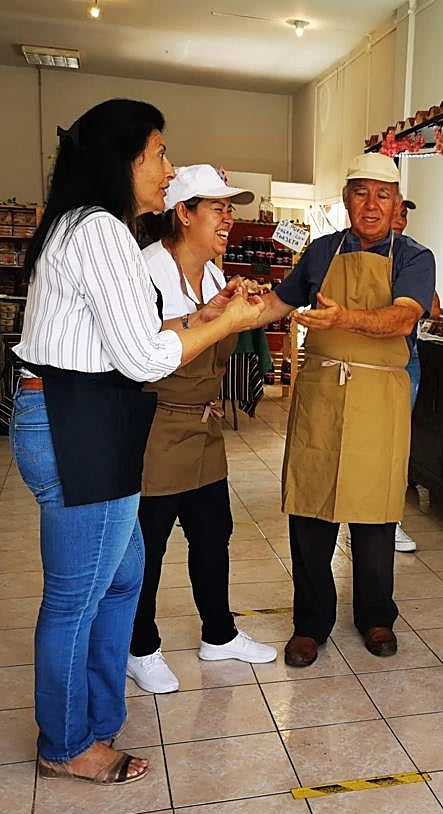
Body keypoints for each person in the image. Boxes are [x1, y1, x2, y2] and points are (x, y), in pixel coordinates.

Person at [11, 100, 263, 786]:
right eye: (158, 153)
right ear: (120, 160)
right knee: (75, 598)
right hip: (76, 421)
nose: (168, 169)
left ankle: (97, 718)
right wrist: (228, 323)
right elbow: (145, 358)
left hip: (93, 417)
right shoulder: (98, 230)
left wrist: (206, 312)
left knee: (122, 579)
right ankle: (66, 742)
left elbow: (130, 333)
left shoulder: (90, 227)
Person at [245, 153, 435, 667]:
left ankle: (376, 615)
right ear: (347, 199)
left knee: (375, 515)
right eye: (360, 193)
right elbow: (278, 304)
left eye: (382, 195)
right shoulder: (321, 251)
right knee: (310, 508)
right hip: (322, 395)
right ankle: (310, 623)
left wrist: (343, 318)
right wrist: (233, 309)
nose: (371, 205)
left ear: (396, 204)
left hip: (379, 397)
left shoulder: (415, 258)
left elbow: (402, 319)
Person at [124, 164, 278, 695]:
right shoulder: (145, 271)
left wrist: (246, 308)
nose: (228, 219)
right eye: (217, 208)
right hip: (157, 427)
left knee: (213, 536)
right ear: (183, 214)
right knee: (148, 545)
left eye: (230, 209)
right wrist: (211, 320)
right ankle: (139, 646)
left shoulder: (215, 278)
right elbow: (141, 346)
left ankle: (220, 633)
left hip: (205, 424)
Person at [390, 196, 440, 552]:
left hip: (405, 358)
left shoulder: (414, 257)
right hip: (362, 362)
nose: (399, 217)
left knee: (396, 441)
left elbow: (433, 307)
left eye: (404, 213)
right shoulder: (349, 251)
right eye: (395, 210)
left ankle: (389, 520)